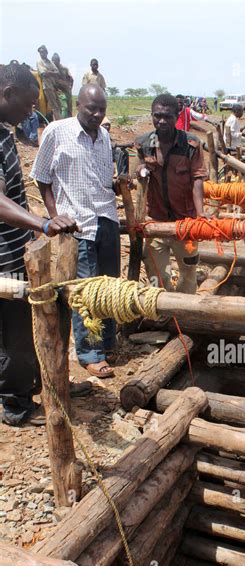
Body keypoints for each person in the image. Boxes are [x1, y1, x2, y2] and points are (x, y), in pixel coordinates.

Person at [0, 62, 79, 426]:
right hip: (3, 258)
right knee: (14, 333)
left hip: (17, 248)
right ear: (7, 94)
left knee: (31, 321)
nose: (33, 111)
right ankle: (15, 405)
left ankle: (40, 384)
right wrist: (42, 223)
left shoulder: (5, 132)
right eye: (29, 104)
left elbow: (15, 193)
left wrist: (31, 232)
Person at [31, 84, 121, 379]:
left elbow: (103, 180)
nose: (96, 114)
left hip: (106, 219)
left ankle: (107, 342)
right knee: (85, 291)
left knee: (108, 287)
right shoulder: (57, 132)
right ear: (78, 106)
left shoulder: (105, 136)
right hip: (78, 225)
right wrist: (56, 216)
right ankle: (90, 354)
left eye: (101, 109)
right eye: (90, 108)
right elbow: (42, 178)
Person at [134, 93, 208, 298]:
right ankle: (162, 316)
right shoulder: (143, 144)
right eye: (157, 116)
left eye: (167, 116)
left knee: (188, 272)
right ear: (151, 115)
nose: (161, 121)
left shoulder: (190, 144)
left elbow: (197, 178)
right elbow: (136, 174)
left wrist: (200, 214)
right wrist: (141, 170)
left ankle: (184, 315)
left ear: (177, 117)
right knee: (156, 275)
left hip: (186, 223)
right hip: (155, 222)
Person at [36, 45, 62, 121]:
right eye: (40, 52)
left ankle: (57, 120)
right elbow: (43, 73)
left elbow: (57, 72)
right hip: (47, 86)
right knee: (54, 106)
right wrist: (52, 72)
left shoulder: (50, 62)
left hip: (54, 86)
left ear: (46, 52)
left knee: (59, 105)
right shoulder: (39, 62)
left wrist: (49, 72)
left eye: (43, 52)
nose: (42, 54)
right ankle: (58, 122)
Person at [51, 53, 73, 117]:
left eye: (55, 60)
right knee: (64, 107)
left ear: (58, 60)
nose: (53, 62)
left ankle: (70, 122)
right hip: (59, 91)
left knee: (69, 108)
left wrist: (70, 87)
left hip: (67, 90)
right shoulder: (52, 70)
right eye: (52, 60)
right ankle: (63, 122)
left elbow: (71, 79)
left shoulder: (64, 69)